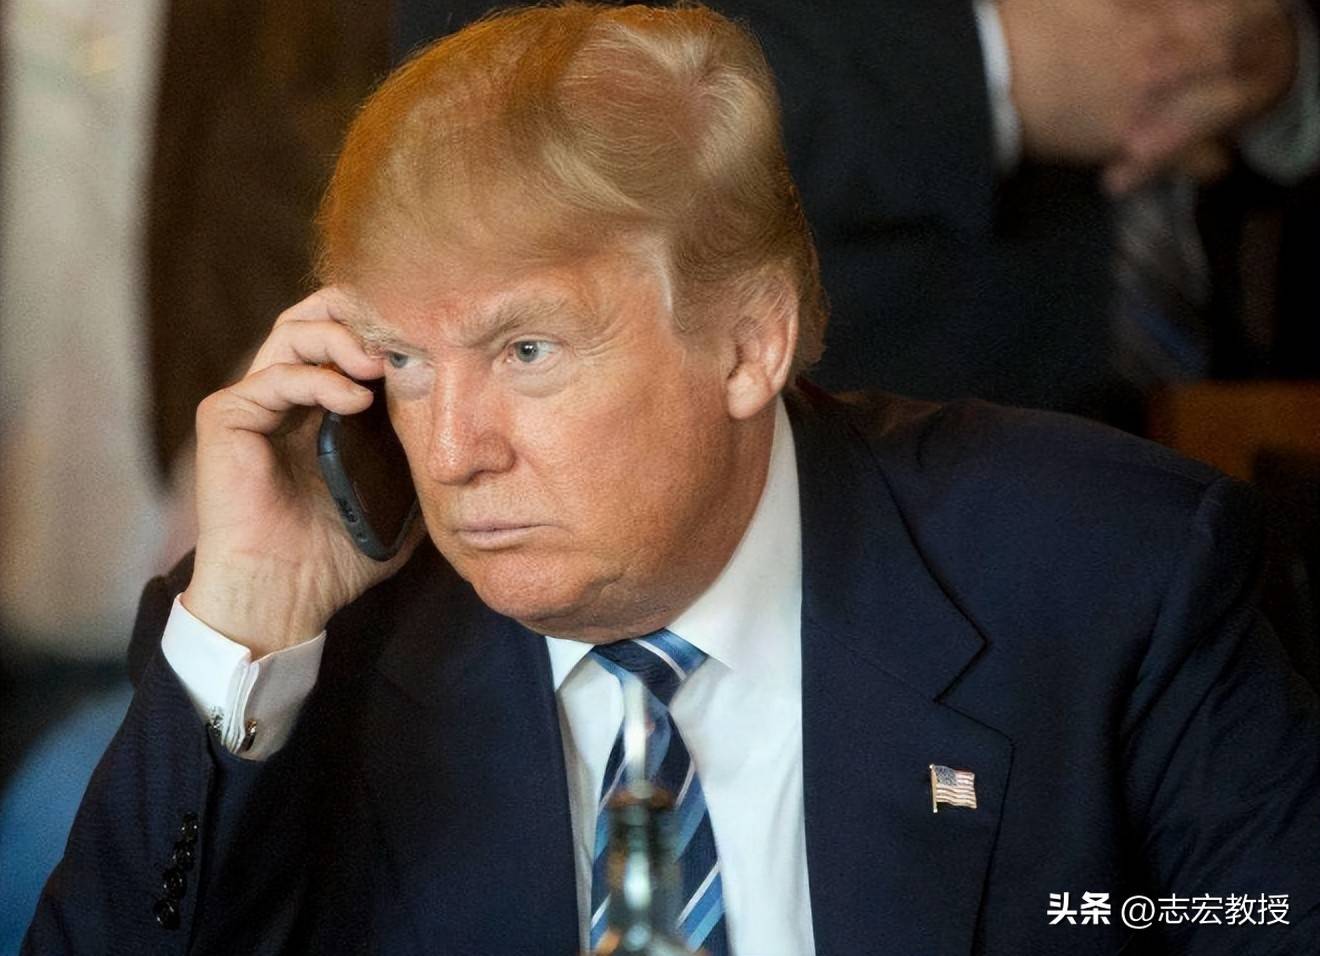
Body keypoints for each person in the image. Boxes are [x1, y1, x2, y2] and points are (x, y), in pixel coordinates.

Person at [25, 4, 1320, 954]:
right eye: (406, 363)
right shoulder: (316, 661)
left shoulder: (1114, 576)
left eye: (526, 352)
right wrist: (248, 616)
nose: (456, 449)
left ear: (749, 343)